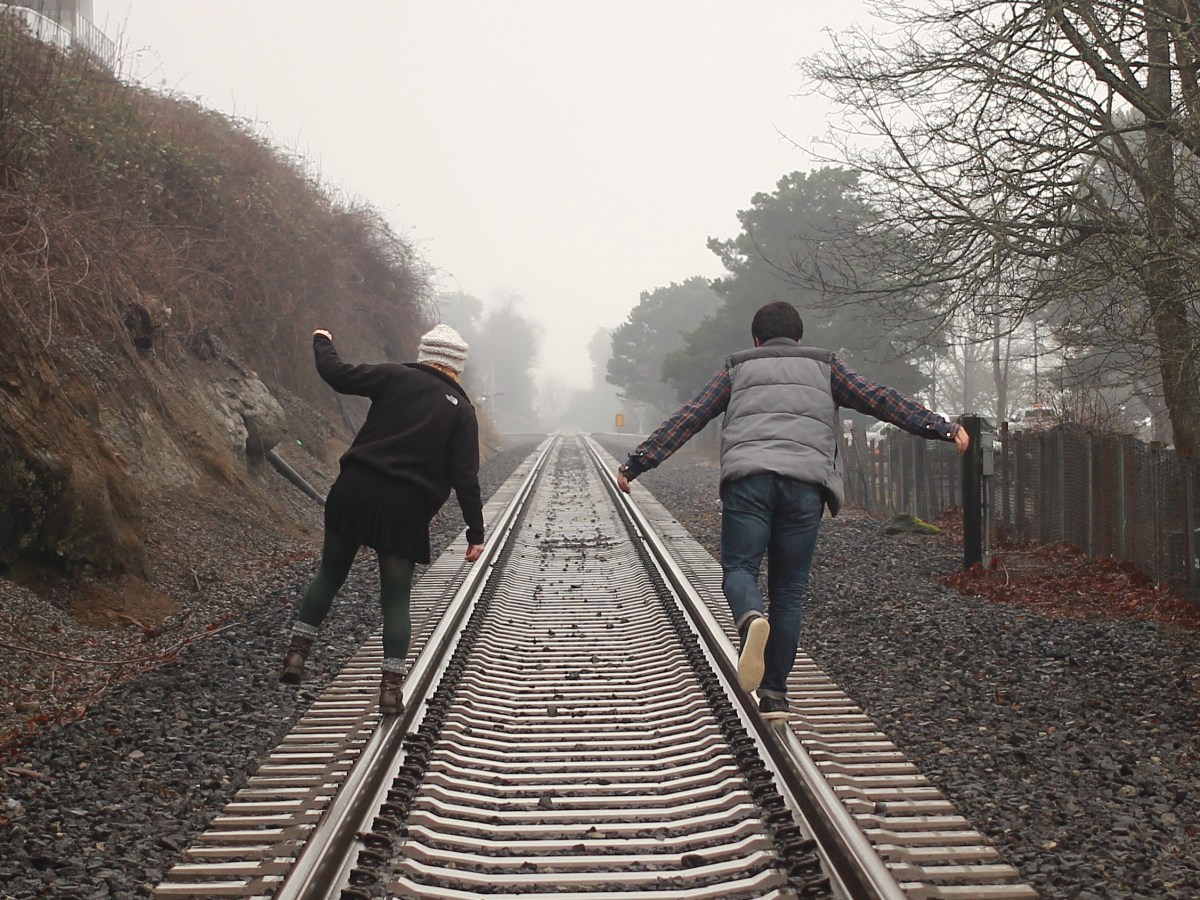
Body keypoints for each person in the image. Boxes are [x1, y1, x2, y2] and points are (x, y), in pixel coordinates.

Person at [616, 302, 969, 720]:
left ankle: (749, 621)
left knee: (740, 569)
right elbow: (881, 400)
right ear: (799, 339)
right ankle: (775, 695)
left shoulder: (737, 369)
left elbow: (689, 417)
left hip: (748, 482)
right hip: (805, 487)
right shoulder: (826, 368)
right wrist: (942, 427)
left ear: (757, 340)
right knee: (788, 591)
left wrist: (637, 463)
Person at [280, 324, 486, 716]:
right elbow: (465, 478)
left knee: (330, 574)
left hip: (355, 489)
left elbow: (337, 375)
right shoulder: (461, 411)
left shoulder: (395, 377)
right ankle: (390, 690)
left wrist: (323, 341)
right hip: (404, 507)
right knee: (395, 600)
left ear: (425, 354)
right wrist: (475, 533)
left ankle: (296, 656)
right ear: (456, 366)